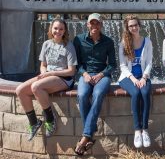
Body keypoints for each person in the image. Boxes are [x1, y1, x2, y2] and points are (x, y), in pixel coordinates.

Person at [16, 18, 77, 141]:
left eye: (61, 29)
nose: (58, 31)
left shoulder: (69, 46)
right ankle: (34, 122)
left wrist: (51, 73)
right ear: (51, 29)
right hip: (48, 76)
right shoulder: (46, 44)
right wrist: (44, 72)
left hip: (64, 79)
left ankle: (50, 119)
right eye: (55, 28)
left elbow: (72, 71)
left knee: (36, 87)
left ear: (65, 31)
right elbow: (43, 65)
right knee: (20, 90)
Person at [73, 13, 116, 155]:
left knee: (98, 94)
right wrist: (84, 74)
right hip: (85, 75)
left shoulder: (108, 42)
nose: (94, 26)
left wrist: (101, 74)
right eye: (92, 23)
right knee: (82, 94)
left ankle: (86, 136)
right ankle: (89, 134)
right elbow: (76, 63)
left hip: (102, 75)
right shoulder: (78, 40)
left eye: (97, 23)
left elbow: (112, 65)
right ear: (87, 25)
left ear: (101, 25)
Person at [118, 15, 153, 148]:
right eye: (131, 26)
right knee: (136, 93)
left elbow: (149, 62)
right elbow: (122, 66)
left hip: (143, 77)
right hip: (127, 78)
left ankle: (145, 130)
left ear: (139, 25)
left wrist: (144, 77)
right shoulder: (123, 44)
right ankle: (137, 130)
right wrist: (133, 78)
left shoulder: (147, 42)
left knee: (144, 93)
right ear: (127, 28)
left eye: (135, 25)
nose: (134, 27)